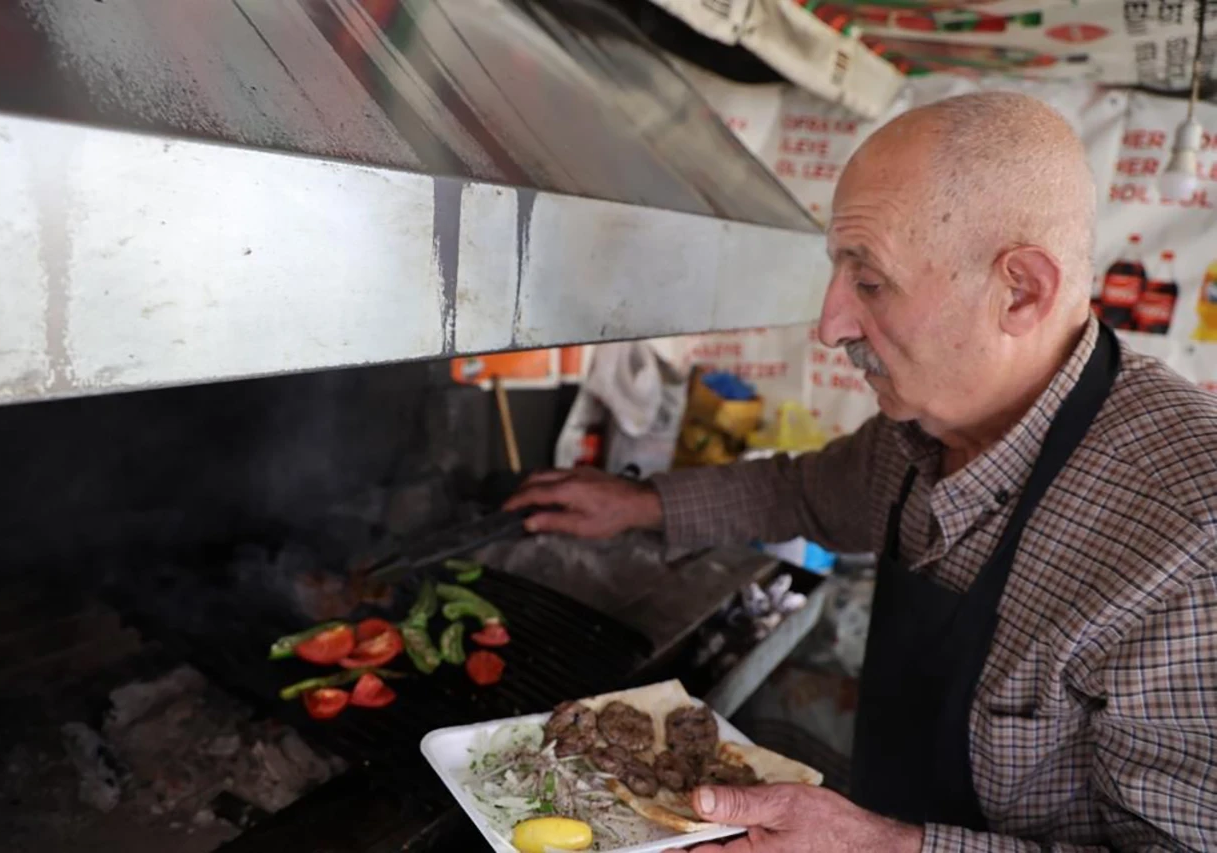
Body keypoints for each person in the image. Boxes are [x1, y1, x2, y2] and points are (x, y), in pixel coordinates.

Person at [505, 92, 1217, 852]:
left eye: (870, 282)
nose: (830, 324)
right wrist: (639, 503)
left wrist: (882, 846)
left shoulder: (1190, 542)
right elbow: (802, 492)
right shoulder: (921, 429)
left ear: (1022, 291)